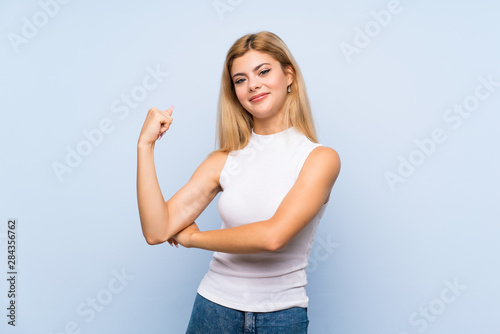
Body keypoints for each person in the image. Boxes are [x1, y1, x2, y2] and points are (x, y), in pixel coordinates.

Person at [137, 31, 341, 334]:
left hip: (280, 317)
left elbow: (273, 237)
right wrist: (146, 146)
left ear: (288, 76)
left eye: (263, 71)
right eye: (240, 79)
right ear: (234, 92)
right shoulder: (224, 160)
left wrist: (194, 239)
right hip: (213, 311)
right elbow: (156, 230)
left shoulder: (320, 159)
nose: (253, 84)